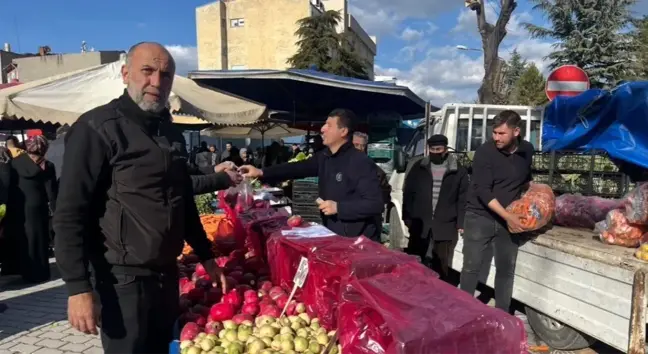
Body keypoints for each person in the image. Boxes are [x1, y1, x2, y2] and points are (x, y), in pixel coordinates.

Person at [53, 42, 240, 354]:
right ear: (126, 74)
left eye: (166, 75)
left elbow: (183, 200)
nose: (157, 82)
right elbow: (69, 212)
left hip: (167, 274)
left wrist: (207, 256)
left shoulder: (170, 133)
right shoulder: (97, 128)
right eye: (148, 71)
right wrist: (78, 288)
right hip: (123, 279)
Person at [240, 109, 384, 241]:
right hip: (334, 235)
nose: (322, 129)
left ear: (343, 131)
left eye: (328, 125)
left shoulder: (360, 162)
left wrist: (339, 208)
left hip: (360, 242)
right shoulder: (324, 157)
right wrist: (262, 172)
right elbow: (297, 168)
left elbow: (375, 204)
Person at [459, 110, 533, 313]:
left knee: (506, 269)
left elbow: (526, 180)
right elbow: (482, 190)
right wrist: (508, 216)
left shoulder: (526, 150)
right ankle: (463, 312)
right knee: (471, 266)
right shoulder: (485, 152)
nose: (496, 138)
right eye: (494, 133)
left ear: (516, 131)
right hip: (479, 217)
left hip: (506, 219)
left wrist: (536, 197)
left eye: (502, 133)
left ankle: (503, 313)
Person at [402, 135, 468, 283]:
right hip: (420, 222)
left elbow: (462, 198)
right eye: (432, 149)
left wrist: (461, 223)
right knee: (415, 258)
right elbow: (408, 193)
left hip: (445, 222)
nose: (435, 152)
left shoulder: (457, 170)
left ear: (445, 149)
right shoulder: (419, 167)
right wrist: (406, 217)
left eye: (439, 149)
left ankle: (439, 291)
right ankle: (413, 286)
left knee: (441, 261)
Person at [8, 135, 58, 283]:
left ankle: (26, 272)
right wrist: (56, 210)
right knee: (40, 238)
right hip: (38, 206)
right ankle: (40, 272)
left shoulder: (15, 163)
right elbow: (51, 192)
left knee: (24, 238)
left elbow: (11, 185)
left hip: (20, 205)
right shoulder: (47, 166)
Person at [351, 132, 392, 205]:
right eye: (356, 145)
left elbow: (385, 191)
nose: (360, 149)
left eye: (363, 146)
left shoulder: (374, 169)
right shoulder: (338, 165)